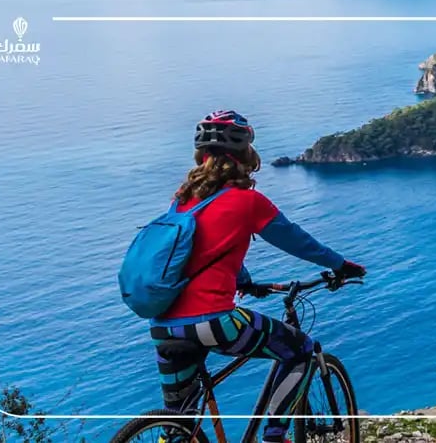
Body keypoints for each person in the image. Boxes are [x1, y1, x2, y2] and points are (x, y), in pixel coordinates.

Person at [149, 110, 366, 443]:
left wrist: (244, 280)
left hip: (163, 325)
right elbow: (296, 240)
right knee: (301, 350)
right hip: (214, 322)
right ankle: (274, 435)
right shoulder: (248, 202)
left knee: (178, 425)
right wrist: (340, 264)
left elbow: (199, 251)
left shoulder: (181, 200)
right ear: (244, 154)